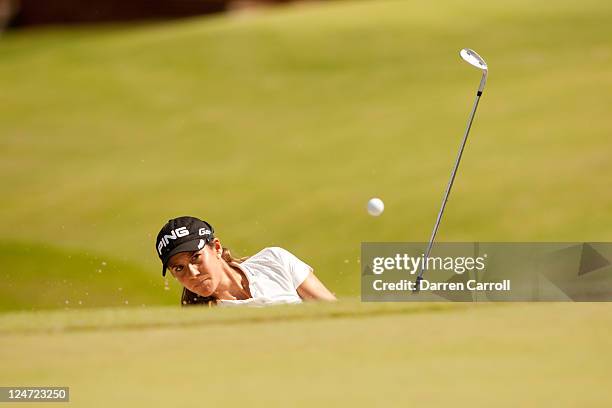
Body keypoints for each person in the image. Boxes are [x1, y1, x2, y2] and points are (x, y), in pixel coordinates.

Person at [155, 216, 336, 306]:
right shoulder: (206, 320)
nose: (192, 273)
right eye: (179, 268)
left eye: (196, 257)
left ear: (216, 248)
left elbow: (331, 311)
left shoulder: (274, 260)